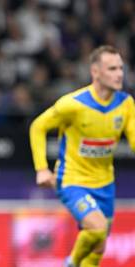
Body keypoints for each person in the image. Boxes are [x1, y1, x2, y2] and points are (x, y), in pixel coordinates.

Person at [29, 45, 135, 267]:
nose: (119, 74)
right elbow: (38, 127)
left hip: (105, 184)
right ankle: (71, 263)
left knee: (98, 249)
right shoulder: (73, 104)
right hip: (72, 180)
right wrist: (41, 168)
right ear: (95, 72)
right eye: (112, 68)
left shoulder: (126, 104)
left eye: (121, 69)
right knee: (97, 229)